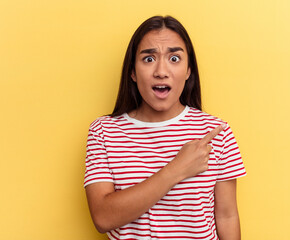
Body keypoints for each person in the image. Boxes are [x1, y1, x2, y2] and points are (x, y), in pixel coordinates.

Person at [84, 15, 246, 240]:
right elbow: (103, 218)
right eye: (149, 59)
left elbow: (227, 217)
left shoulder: (217, 132)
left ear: (189, 71)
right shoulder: (104, 132)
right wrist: (177, 169)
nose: (161, 71)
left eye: (174, 58)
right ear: (132, 71)